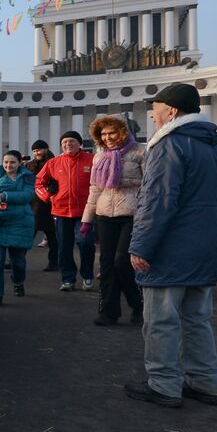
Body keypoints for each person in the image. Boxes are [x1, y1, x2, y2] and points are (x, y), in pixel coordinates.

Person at [125, 83, 217, 409]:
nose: (152, 115)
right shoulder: (214, 145)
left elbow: (158, 199)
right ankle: (207, 383)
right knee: (198, 318)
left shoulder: (170, 144)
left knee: (162, 319)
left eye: (155, 108)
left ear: (171, 111)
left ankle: (164, 384)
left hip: (172, 246)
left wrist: (141, 245)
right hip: (205, 243)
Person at [82, 117, 145, 326]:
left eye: (112, 133)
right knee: (107, 264)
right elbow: (95, 189)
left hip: (132, 214)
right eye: (103, 134)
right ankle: (109, 311)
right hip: (104, 214)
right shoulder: (99, 157)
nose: (107, 138)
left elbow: (149, 187)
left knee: (122, 262)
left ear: (123, 132)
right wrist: (87, 219)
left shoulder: (141, 153)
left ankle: (138, 304)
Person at [35, 131, 95, 292]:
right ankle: (68, 279)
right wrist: (48, 197)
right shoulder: (54, 163)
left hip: (85, 211)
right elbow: (39, 183)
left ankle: (87, 275)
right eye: (65, 142)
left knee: (85, 243)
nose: (68, 144)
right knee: (64, 247)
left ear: (79, 143)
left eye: (72, 141)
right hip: (61, 212)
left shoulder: (91, 159)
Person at [0, 150, 36, 307]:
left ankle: (18, 282)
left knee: (18, 262)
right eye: (5, 162)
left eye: (12, 162)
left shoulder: (27, 177)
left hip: (19, 223)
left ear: (19, 163)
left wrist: (4, 196)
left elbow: (27, 195)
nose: (8, 165)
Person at [25, 140, 58, 271]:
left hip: (49, 205)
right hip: (32, 205)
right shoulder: (29, 165)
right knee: (26, 236)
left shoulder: (54, 162)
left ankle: (54, 262)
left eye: (39, 149)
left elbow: (57, 183)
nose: (37, 153)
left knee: (53, 238)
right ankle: (17, 259)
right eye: (34, 151)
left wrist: (48, 192)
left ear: (46, 149)